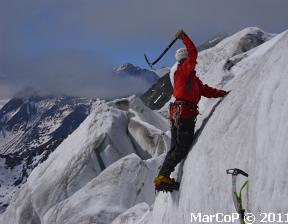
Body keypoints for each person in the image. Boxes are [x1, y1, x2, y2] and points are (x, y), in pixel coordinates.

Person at [154, 30, 228, 191]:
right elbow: (194, 53)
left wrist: (223, 93)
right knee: (181, 148)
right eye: (190, 60)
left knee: (175, 148)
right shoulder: (184, 70)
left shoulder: (190, 78)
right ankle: (163, 177)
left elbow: (206, 90)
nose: (194, 62)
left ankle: (162, 177)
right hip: (184, 113)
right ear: (185, 59)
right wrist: (184, 38)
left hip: (177, 113)